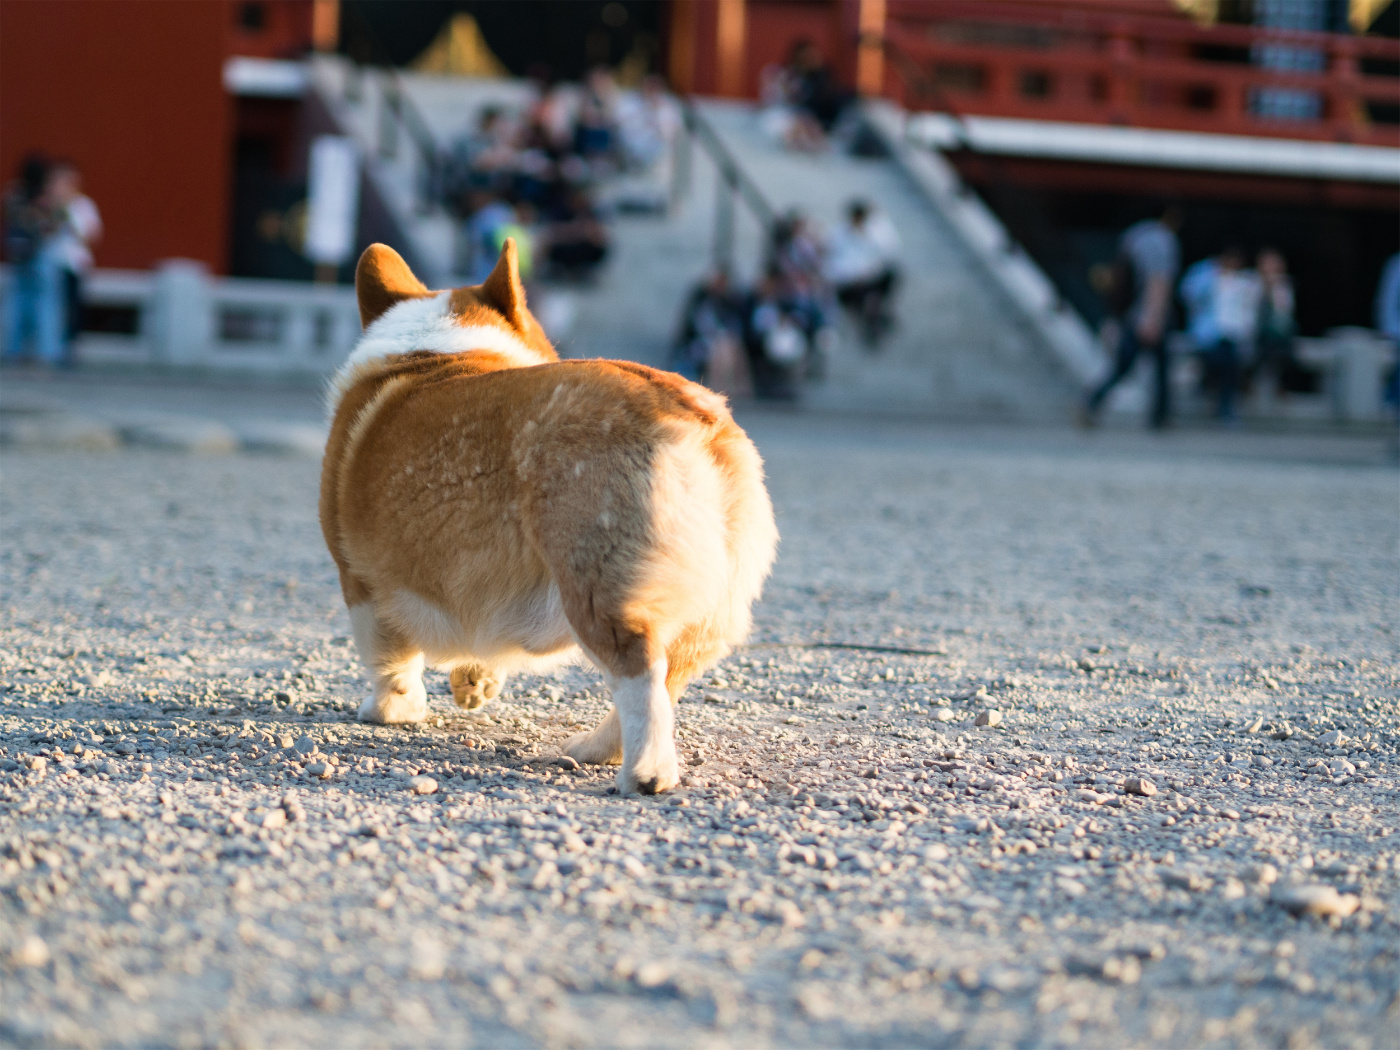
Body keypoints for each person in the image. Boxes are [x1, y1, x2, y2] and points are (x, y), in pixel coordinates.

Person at [1081, 205, 1183, 429]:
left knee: (1132, 365)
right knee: (1155, 367)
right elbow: (1158, 281)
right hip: (1149, 316)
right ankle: (1159, 416)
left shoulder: (1133, 236)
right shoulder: (1162, 240)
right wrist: (1153, 318)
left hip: (1131, 314)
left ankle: (1094, 402)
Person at [2, 153, 65, 367]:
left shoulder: (15, 193)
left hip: (18, 252)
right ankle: (46, 352)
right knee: (46, 303)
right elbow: (58, 222)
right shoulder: (46, 196)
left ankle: (14, 350)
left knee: (17, 301)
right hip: (41, 252)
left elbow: (10, 216)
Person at [825, 199, 900, 347]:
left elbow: (889, 250)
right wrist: (853, 275)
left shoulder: (873, 232)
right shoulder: (838, 234)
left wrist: (875, 223)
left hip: (869, 277)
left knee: (891, 276)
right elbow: (833, 262)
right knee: (861, 293)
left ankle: (876, 310)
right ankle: (871, 314)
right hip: (850, 281)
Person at [47, 160, 101, 361]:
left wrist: (67, 214)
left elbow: (89, 235)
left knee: (72, 307)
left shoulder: (83, 205)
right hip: (52, 263)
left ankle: (69, 348)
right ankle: (50, 346)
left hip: (73, 264)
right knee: (52, 307)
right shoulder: (49, 203)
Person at [670, 269, 742, 389]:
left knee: (731, 347)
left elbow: (733, 327)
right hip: (697, 344)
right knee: (719, 349)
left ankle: (740, 390)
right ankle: (718, 388)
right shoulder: (701, 300)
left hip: (722, 344)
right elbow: (698, 328)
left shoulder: (728, 302)